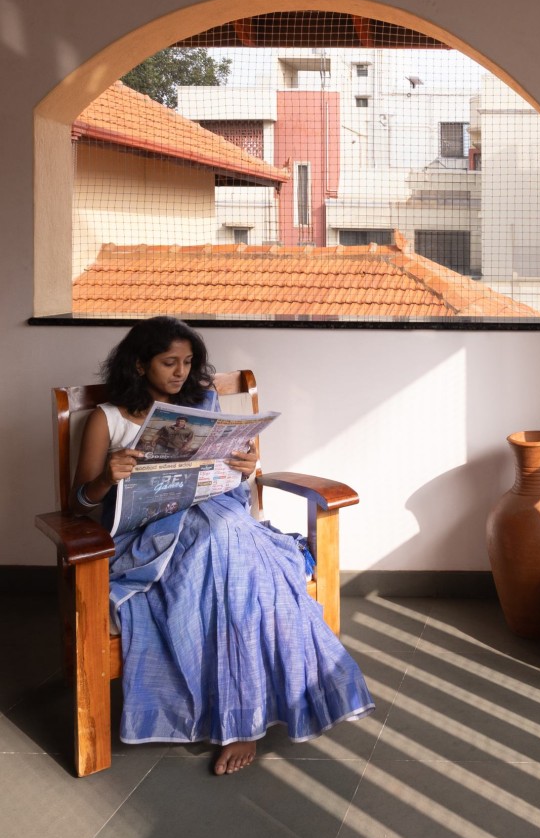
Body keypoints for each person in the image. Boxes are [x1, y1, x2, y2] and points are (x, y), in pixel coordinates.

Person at [72, 315, 373, 775]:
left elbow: (231, 477)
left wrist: (247, 465)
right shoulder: (107, 419)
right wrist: (106, 478)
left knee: (229, 544)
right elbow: (81, 504)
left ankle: (244, 720)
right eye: (169, 362)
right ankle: (243, 719)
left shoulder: (202, 408)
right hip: (152, 538)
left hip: (221, 520)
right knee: (240, 556)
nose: (180, 372)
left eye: (188, 362)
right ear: (138, 364)